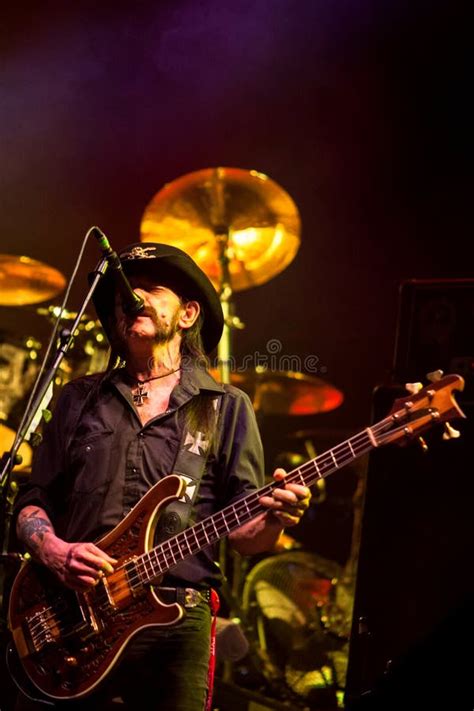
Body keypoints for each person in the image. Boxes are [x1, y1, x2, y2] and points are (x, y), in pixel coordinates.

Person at [12, 242, 311, 711]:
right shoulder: (78, 399)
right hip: (74, 621)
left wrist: (277, 517)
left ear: (188, 313)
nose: (135, 298)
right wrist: (54, 550)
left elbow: (245, 536)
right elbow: (32, 500)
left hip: (175, 624)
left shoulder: (225, 406)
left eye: (152, 288)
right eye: (125, 294)